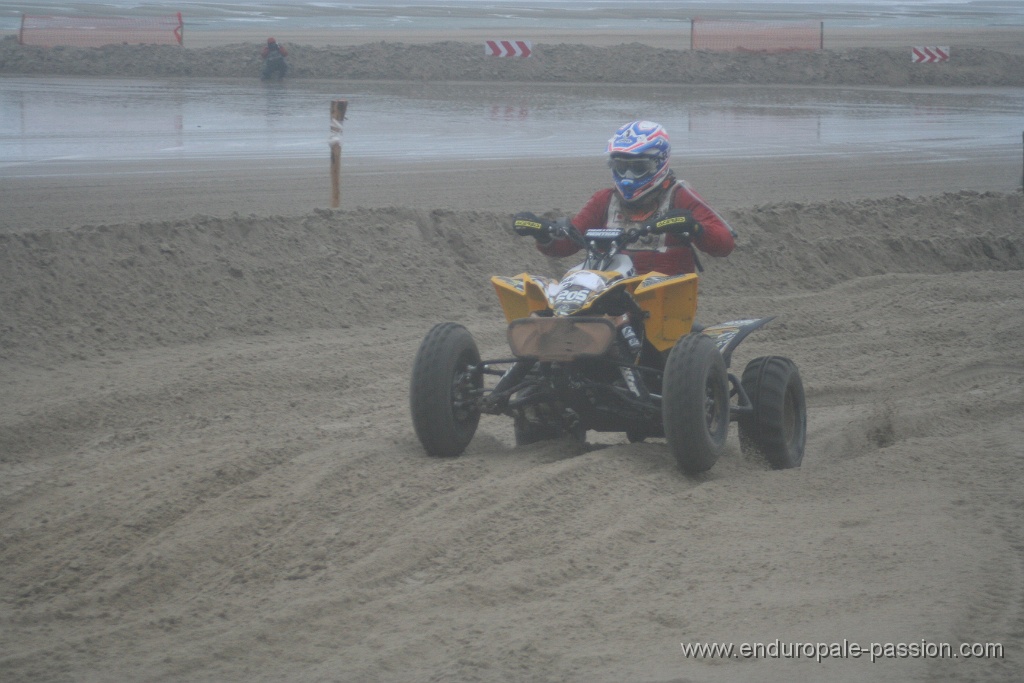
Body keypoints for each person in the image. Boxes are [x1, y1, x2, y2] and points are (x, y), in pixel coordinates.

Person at [514, 120, 735, 276]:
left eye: (638, 168)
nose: (628, 177)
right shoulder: (605, 200)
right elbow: (569, 243)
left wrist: (695, 228)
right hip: (611, 294)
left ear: (659, 163)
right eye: (621, 167)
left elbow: (725, 243)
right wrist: (543, 233)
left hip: (664, 299)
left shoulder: (680, 196)